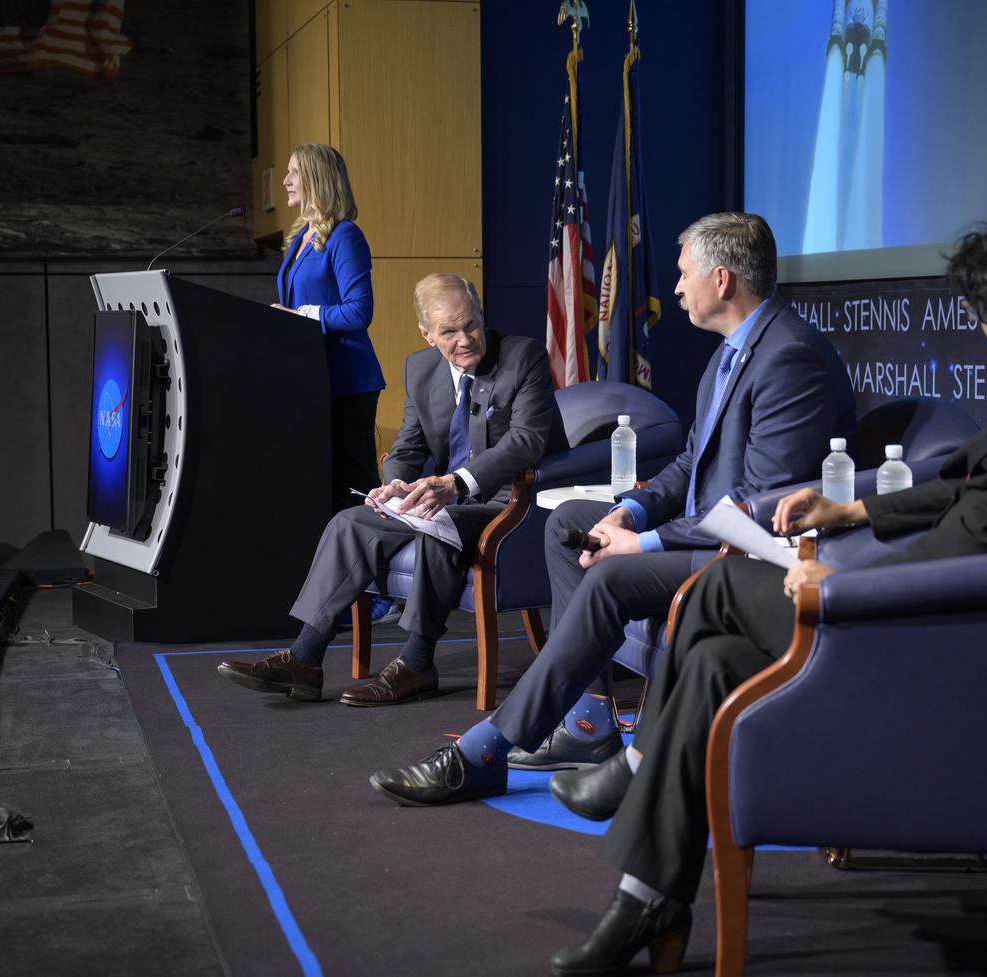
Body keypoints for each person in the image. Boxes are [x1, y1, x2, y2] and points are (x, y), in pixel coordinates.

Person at [543, 201, 987, 977]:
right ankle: (646, 897)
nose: (983, 326)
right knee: (713, 663)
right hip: (957, 620)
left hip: (965, 647)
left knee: (720, 588)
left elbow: (984, 531)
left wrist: (847, 586)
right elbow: (967, 486)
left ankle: (638, 763)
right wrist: (856, 508)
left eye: (985, 310)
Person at [368, 212, 856, 807]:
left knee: (610, 576)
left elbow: (756, 505)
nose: (675, 288)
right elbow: (688, 465)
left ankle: (484, 751)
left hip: (748, 554)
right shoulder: (736, 348)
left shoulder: (788, 358)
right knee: (571, 522)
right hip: (708, 532)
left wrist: (646, 544)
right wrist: (630, 511)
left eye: (684, 275)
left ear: (722, 280)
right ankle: (588, 720)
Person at [219, 273, 567, 705]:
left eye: (471, 325)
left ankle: (417, 664)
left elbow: (526, 441)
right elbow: (408, 445)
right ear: (427, 334)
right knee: (350, 522)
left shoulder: (523, 357)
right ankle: (305, 659)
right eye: (449, 332)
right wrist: (396, 485)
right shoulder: (419, 369)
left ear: (481, 315)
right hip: (439, 499)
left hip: (508, 503)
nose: (464, 340)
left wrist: (455, 483)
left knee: (437, 528)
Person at [273, 143, 385, 514]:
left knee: (350, 488)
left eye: (294, 173)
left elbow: (359, 312)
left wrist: (300, 315)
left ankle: (363, 567)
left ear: (317, 180)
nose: (286, 181)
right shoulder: (301, 237)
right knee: (317, 486)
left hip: (346, 380)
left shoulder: (344, 236)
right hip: (311, 380)